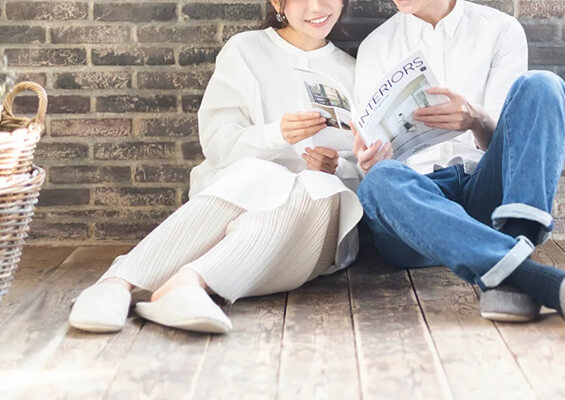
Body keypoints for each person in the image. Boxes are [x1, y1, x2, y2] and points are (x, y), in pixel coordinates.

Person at [68, 0, 362, 334]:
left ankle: (179, 283)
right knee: (265, 174)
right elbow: (218, 144)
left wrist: (334, 166)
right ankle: (125, 284)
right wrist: (276, 134)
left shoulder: (352, 71)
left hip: (310, 226)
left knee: (318, 185)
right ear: (277, 2)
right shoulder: (246, 50)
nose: (317, 7)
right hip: (238, 200)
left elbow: (361, 174)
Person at [352, 0, 565, 335]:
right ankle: (537, 280)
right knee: (378, 180)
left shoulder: (500, 30)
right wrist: (371, 160)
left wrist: (476, 119)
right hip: (418, 211)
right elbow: (373, 152)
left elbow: (514, 145)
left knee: (543, 86)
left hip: (485, 193)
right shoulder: (375, 46)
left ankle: (515, 242)